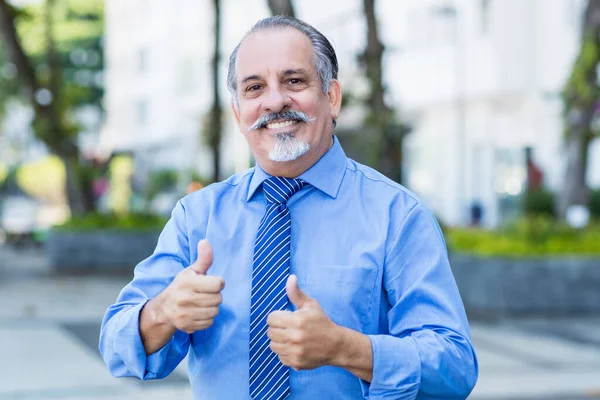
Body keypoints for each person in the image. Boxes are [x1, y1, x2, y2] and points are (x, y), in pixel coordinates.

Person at [99, 16, 478, 400]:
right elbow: (115, 347)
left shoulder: (398, 215)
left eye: (294, 81)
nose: (275, 101)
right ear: (238, 114)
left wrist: (347, 349)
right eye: (254, 87)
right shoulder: (196, 217)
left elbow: (456, 368)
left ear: (332, 97)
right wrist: (162, 311)